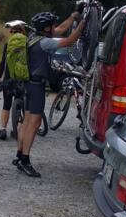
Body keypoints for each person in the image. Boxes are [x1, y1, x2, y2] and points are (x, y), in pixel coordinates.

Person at [13, 11, 85, 177]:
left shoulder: (33, 37)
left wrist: (73, 17)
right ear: (46, 28)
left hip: (27, 84)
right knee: (35, 123)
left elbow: (59, 30)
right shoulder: (45, 43)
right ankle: (25, 160)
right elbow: (70, 40)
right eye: (51, 25)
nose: (54, 27)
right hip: (37, 87)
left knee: (26, 122)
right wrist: (82, 25)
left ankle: (19, 156)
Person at [0, 20, 28, 140]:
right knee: (22, 102)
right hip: (22, 78)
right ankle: (21, 129)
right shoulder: (27, 43)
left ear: (12, 32)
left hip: (9, 78)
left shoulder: (9, 43)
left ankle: (3, 129)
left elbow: (3, 61)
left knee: (6, 104)